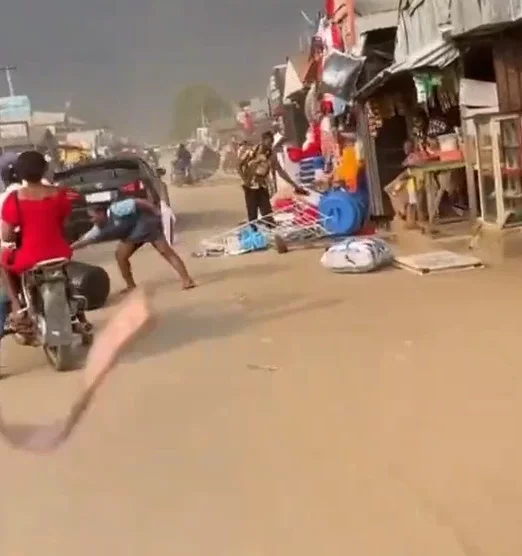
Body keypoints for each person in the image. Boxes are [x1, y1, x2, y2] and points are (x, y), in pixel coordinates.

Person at [0, 151, 73, 318]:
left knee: (3, 261)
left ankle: (17, 306)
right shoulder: (60, 194)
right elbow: (66, 225)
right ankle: (77, 311)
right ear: (45, 169)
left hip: (30, 257)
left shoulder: (14, 199)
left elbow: (7, 236)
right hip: (60, 253)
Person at [71, 197, 195, 292]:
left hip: (147, 225)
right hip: (132, 235)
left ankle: (187, 279)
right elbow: (85, 240)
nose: (92, 220)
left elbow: (138, 202)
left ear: (101, 213)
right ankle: (130, 285)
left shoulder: (116, 209)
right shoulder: (98, 228)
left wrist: (156, 211)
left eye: (93, 217)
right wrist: (68, 248)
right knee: (120, 256)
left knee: (165, 251)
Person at [237, 130, 307, 227]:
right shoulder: (252, 151)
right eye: (268, 142)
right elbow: (239, 166)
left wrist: (295, 186)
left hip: (262, 187)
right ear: (263, 140)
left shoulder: (271, 157)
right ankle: (254, 236)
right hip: (250, 188)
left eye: (271, 143)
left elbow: (281, 172)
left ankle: (271, 232)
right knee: (252, 216)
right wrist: (245, 179)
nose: (270, 145)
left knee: (268, 215)